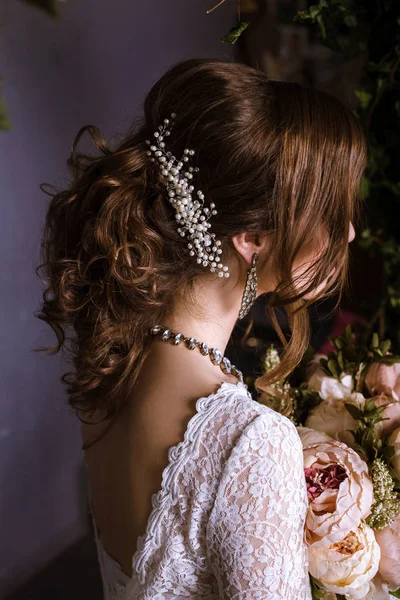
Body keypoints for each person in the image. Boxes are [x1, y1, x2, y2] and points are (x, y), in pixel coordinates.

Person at [35, 57, 367, 599]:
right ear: (252, 237)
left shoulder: (114, 370)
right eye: (328, 209)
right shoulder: (250, 442)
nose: (349, 232)